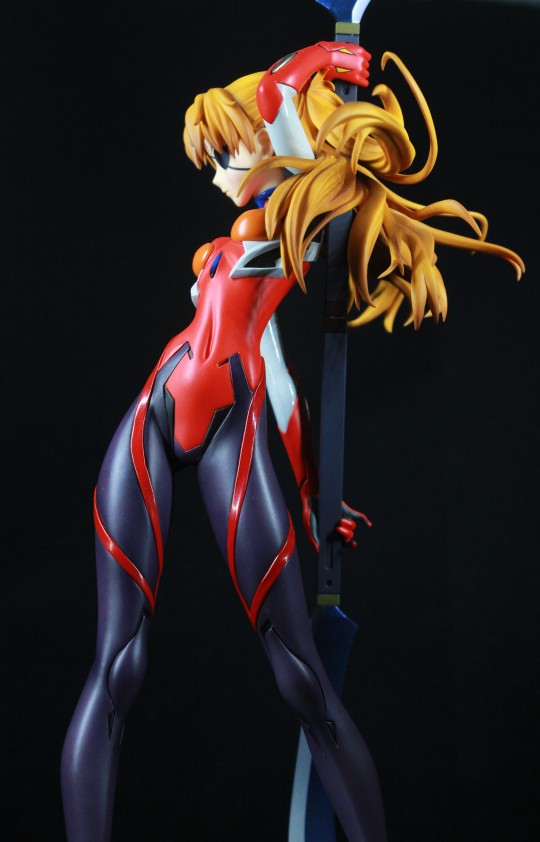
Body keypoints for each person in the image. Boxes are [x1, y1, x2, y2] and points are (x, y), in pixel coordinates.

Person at [61, 41, 524, 842]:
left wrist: (325, 54)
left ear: (270, 140)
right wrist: (310, 488)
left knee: (302, 675)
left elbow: (280, 101)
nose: (216, 173)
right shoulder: (237, 243)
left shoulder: (291, 231)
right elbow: (274, 370)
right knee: (117, 662)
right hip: (150, 414)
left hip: (227, 431)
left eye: (225, 152)